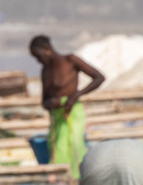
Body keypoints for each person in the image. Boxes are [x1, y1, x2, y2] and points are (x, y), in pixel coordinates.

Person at [29, 35, 105, 175]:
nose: (38, 60)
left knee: (75, 147)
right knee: (59, 149)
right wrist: (51, 103)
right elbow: (43, 101)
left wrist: (76, 95)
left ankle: (80, 181)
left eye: (38, 56)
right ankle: (63, 183)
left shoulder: (70, 61)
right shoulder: (45, 71)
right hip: (56, 116)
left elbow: (99, 77)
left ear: (46, 49)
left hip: (73, 113)